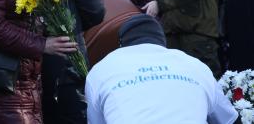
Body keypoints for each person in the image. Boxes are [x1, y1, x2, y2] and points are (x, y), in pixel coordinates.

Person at [85, 14, 238, 124]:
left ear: (122, 44)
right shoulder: (194, 65)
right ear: (162, 42)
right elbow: (228, 119)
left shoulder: (101, 70)